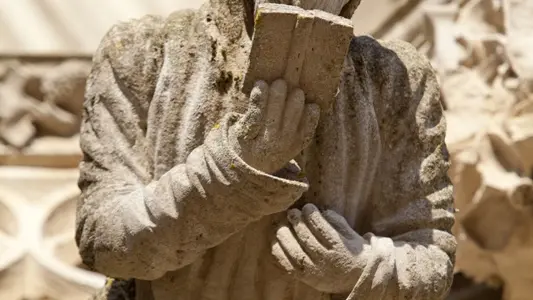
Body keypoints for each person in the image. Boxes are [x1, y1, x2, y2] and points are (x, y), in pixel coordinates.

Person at [76, 0, 456, 299]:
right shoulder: (145, 52)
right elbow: (104, 240)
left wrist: (361, 267)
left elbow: (431, 254)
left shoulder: (394, 78)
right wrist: (231, 170)